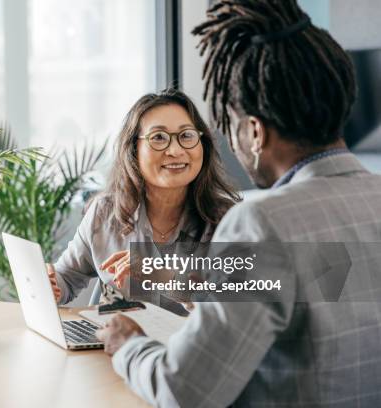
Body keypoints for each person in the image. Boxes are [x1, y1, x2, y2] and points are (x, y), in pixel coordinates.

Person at [96, 0, 381, 406]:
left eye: (228, 127)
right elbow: (325, 288)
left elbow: (185, 391)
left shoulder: (262, 222)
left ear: (254, 131)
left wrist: (129, 344)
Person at [47, 89, 239, 306]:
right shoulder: (105, 211)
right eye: (158, 137)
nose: (175, 150)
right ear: (133, 150)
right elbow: (67, 278)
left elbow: (235, 307)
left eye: (186, 135)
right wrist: (52, 286)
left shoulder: (231, 220)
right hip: (114, 338)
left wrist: (163, 277)